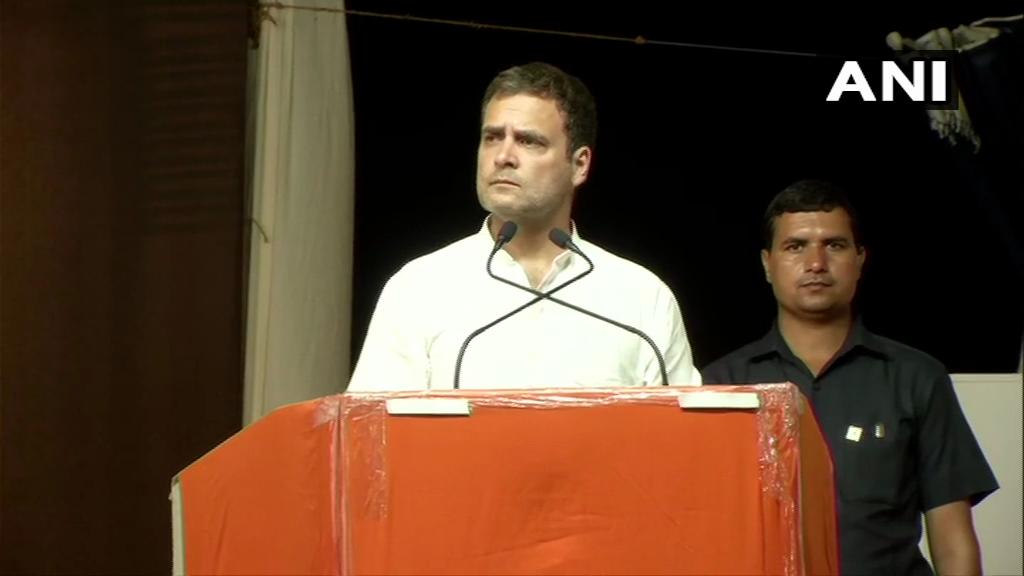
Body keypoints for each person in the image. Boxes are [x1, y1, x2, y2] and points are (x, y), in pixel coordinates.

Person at [702, 180, 998, 576]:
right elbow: (701, 523)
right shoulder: (722, 384)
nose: (816, 263)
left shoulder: (916, 376)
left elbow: (952, 535)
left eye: (835, 245)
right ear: (766, 263)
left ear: (860, 259)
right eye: (796, 246)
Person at [347, 62, 700, 391]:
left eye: (529, 141)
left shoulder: (642, 299)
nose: (504, 156)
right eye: (493, 137)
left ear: (579, 165)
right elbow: (370, 436)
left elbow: (685, 442)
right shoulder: (418, 288)